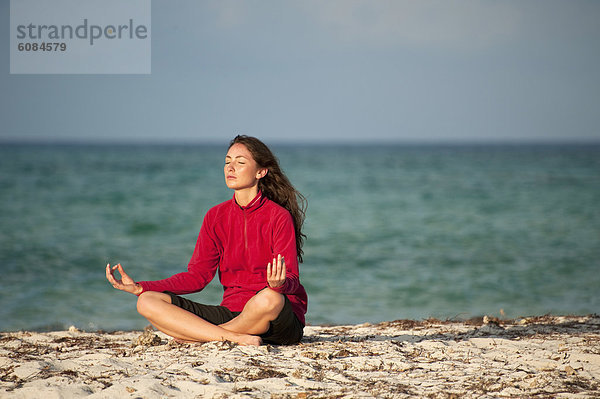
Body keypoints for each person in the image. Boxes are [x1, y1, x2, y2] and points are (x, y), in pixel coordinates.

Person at [106, 135, 308, 346]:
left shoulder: (278, 216)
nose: (230, 168)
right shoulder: (215, 217)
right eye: (227, 161)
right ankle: (232, 337)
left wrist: (280, 283)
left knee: (270, 298)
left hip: (278, 321)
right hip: (231, 313)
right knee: (147, 302)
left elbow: (292, 278)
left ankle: (202, 336)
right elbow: (197, 277)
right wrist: (141, 287)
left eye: (240, 162)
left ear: (261, 172)